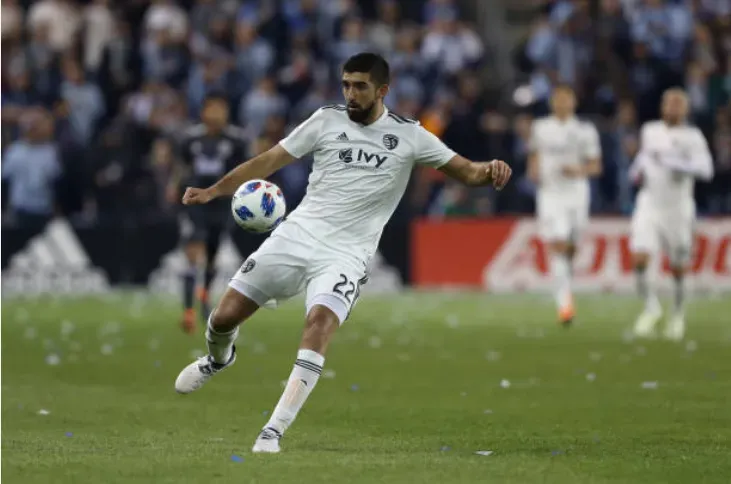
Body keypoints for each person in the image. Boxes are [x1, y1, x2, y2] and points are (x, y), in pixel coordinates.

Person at [173, 53, 512, 453]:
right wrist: (216, 190)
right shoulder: (325, 120)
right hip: (297, 234)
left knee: (318, 323)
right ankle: (218, 359)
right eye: (346, 84)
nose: (350, 93)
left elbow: (466, 171)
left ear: (382, 90)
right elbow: (269, 160)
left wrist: (490, 169)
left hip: (347, 253)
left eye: (360, 86)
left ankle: (272, 431)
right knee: (224, 316)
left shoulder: (410, 135)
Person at [629, 88, 714, 341]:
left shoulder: (693, 137)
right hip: (649, 204)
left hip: (678, 208)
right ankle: (651, 308)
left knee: (678, 267)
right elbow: (643, 160)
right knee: (640, 257)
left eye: (678, 104)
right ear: (662, 106)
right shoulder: (650, 131)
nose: (673, 108)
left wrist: (674, 163)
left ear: (686, 109)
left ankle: (677, 314)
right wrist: (635, 172)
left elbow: (706, 170)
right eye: (669, 103)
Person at [171, 93, 247, 333]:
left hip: (222, 204)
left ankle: (204, 298)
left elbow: (244, 169)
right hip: (196, 202)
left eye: (220, 109)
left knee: (212, 255)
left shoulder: (236, 140)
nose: (215, 114)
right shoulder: (190, 138)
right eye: (211, 108)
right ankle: (188, 311)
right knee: (194, 251)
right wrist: (174, 187)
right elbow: (181, 166)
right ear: (203, 111)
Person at [527, 84, 602, 326]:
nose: (561, 103)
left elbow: (596, 166)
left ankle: (565, 285)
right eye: (557, 99)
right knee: (557, 243)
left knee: (570, 246)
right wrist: (534, 172)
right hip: (550, 194)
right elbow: (534, 157)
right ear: (552, 103)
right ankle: (565, 304)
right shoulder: (540, 128)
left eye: (566, 99)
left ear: (574, 103)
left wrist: (577, 170)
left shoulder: (584, 130)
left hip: (576, 193)